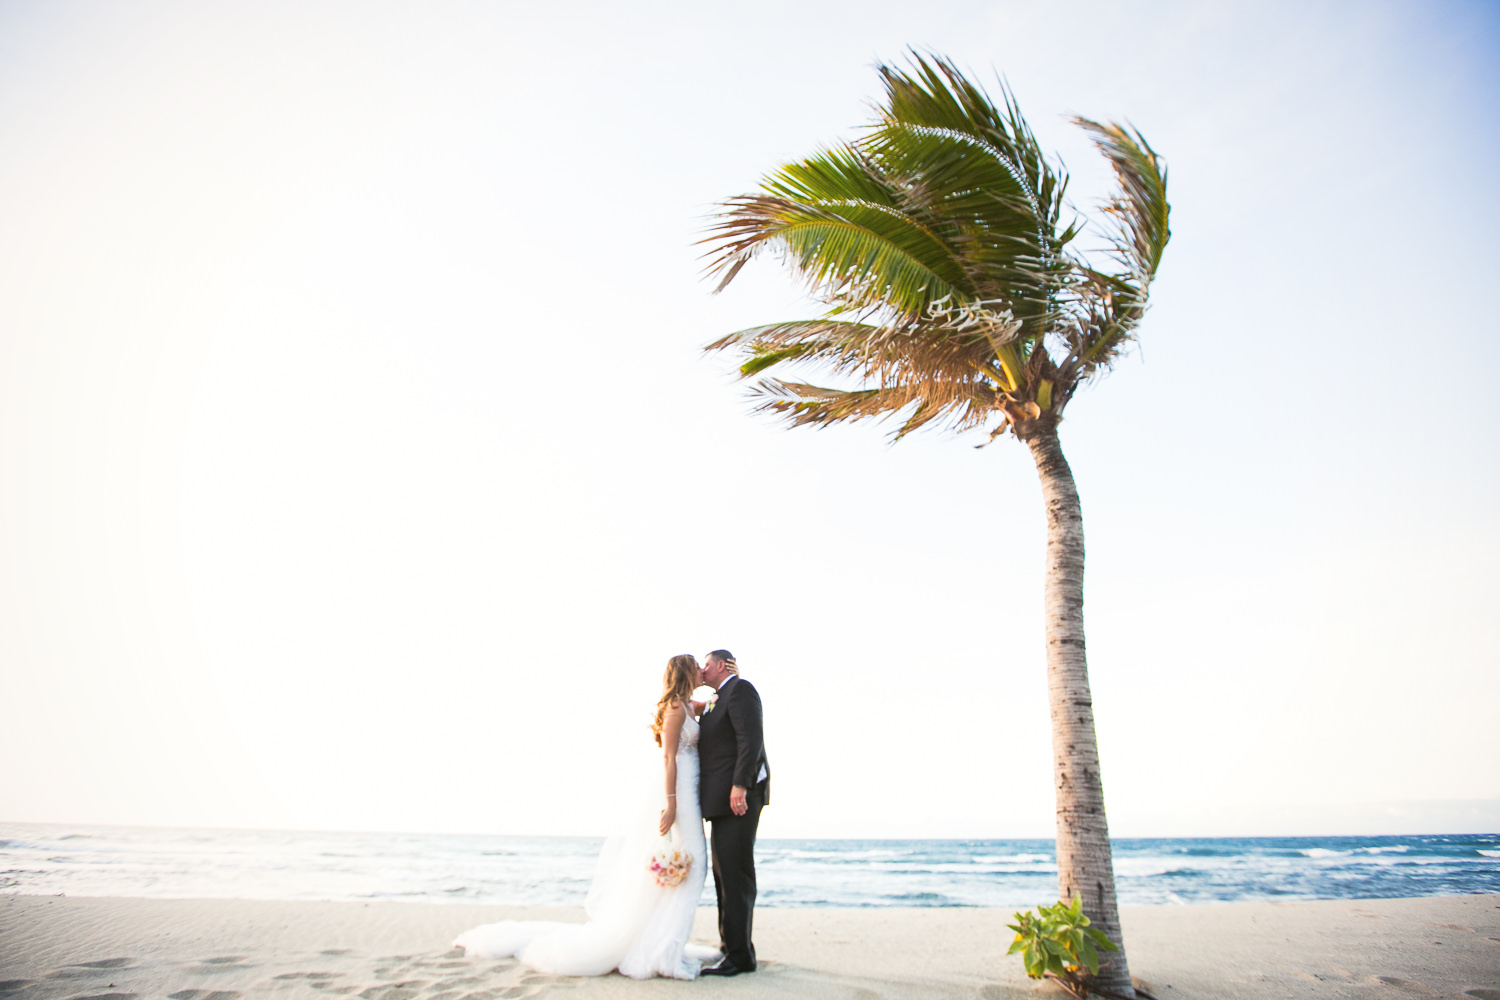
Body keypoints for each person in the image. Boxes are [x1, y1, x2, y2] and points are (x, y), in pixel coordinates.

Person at [451, 654, 721, 979]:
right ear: (683, 672)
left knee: (690, 867)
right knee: (691, 866)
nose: (700, 671)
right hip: (677, 790)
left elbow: (718, 700)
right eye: (696, 666)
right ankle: (664, 953)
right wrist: (671, 803)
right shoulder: (676, 710)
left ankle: (665, 945)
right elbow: (667, 758)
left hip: (690, 789)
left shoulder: (689, 705)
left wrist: (722, 677)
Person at [696, 649, 770, 976]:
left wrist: (740, 785)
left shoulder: (740, 689)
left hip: (739, 798)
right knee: (723, 873)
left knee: (736, 875)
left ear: (722, 665)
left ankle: (741, 957)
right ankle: (731, 947)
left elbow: (750, 738)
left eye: (706, 664)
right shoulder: (717, 699)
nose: (701, 668)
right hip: (720, 802)